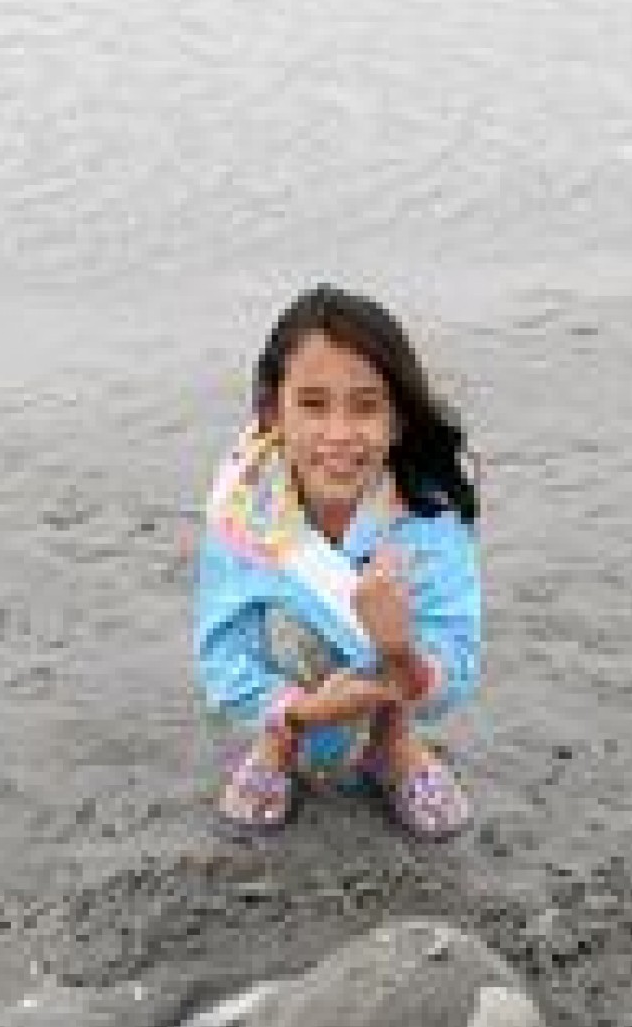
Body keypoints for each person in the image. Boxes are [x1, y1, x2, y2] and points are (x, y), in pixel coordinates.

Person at [194, 286, 481, 843]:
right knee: (279, 615)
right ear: (274, 410)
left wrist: (399, 652)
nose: (339, 433)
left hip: (396, 680)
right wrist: (299, 713)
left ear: (397, 419)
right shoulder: (244, 506)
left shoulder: (427, 509)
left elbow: (457, 662)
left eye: (366, 405)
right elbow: (221, 654)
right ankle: (278, 743)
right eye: (313, 403)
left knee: (398, 603)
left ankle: (391, 741)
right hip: (294, 690)